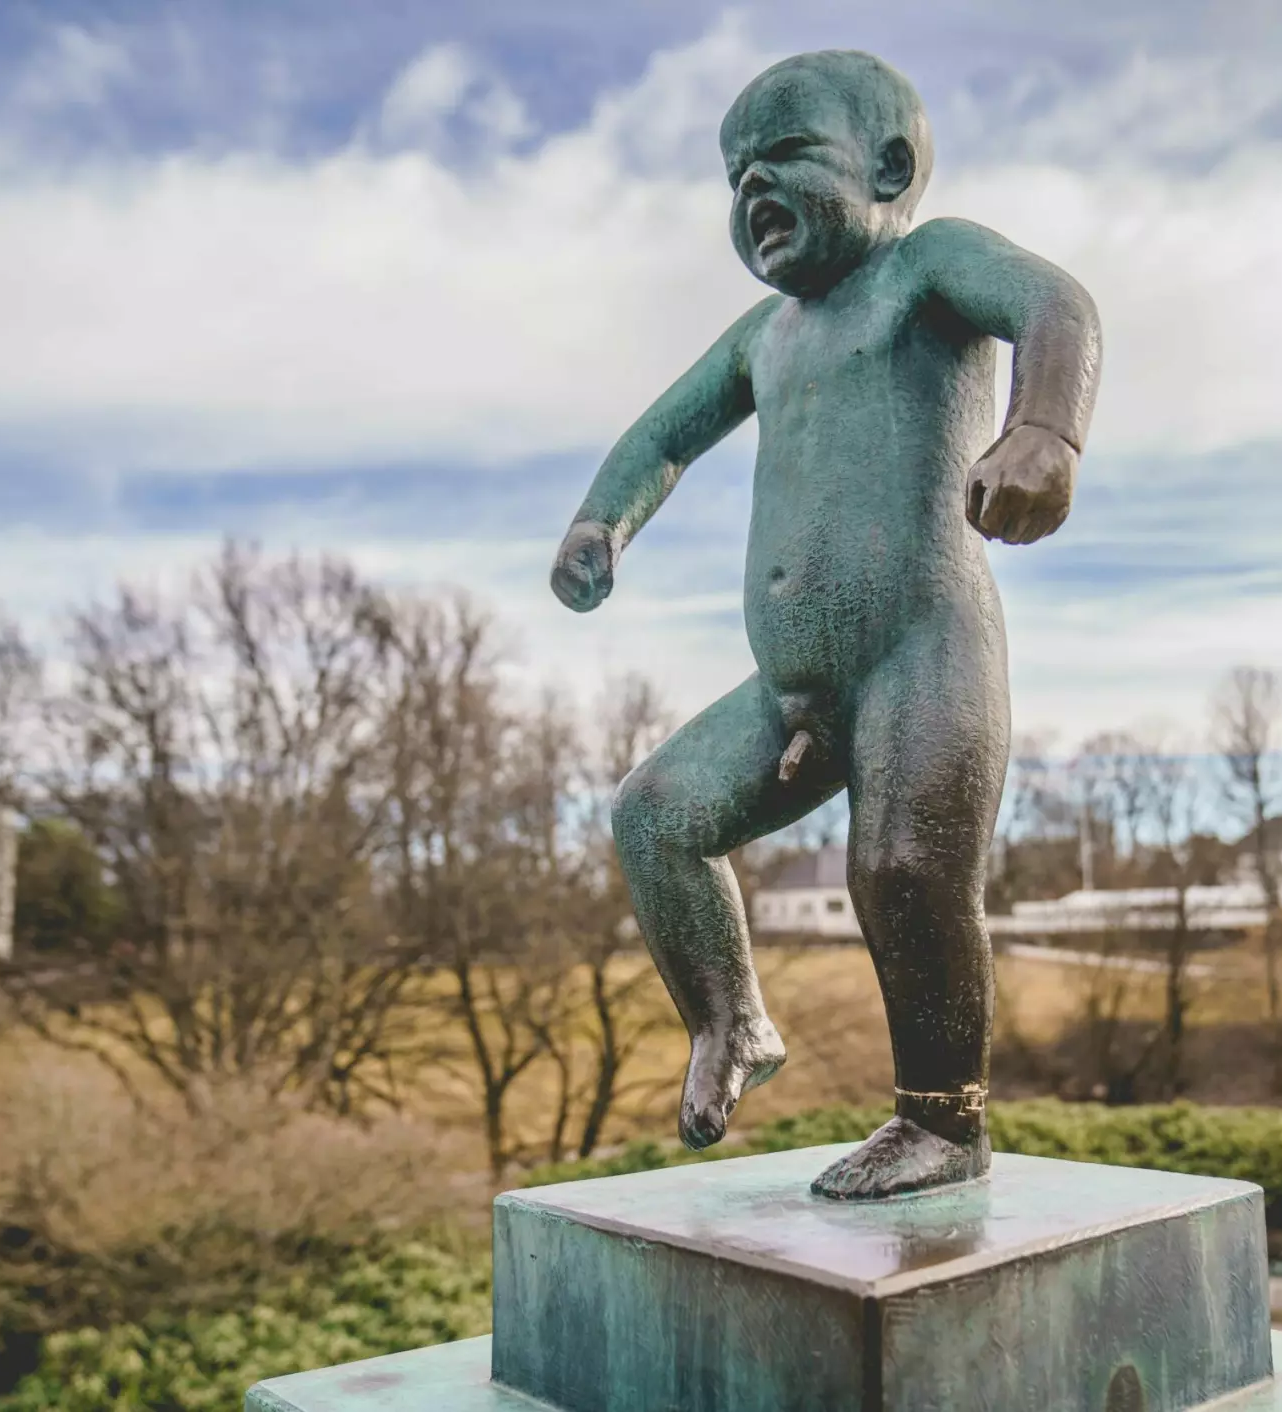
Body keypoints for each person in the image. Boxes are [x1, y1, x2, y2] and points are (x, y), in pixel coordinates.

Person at [550, 50, 1101, 1199]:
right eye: (734, 172)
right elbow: (662, 435)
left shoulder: (926, 269)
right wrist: (603, 522)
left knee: (902, 868)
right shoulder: (765, 333)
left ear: (888, 164)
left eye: (787, 156)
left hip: (923, 649)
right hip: (791, 689)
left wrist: (1044, 427)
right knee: (655, 816)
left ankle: (943, 1120)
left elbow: (1057, 303)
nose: (753, 186)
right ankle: (730, 1017)